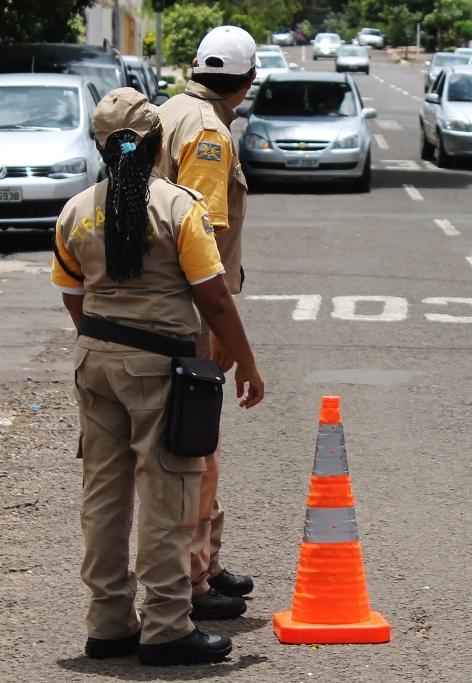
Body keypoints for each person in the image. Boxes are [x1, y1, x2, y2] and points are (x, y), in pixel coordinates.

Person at [51, 87, 265, 665]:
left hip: (94, 363)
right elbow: (214, 300)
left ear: (102, 147)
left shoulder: (76, 211)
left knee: (104, 494)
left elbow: (74, 298)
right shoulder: (177, 207)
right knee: (167, 493)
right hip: (159, 369)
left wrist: (106, 338)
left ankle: (108, 624)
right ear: (156, 142)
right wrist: (246, 362)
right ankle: (168, 625)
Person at [157, 25, 257, 621]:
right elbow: (205, 235)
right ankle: (194, 579)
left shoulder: (171, 110)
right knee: (199, 446)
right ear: (247, 82)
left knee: (195, 441)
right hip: (190, 307)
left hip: (161, 302)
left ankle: (207, 563)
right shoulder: (210, 133)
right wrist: (221, 325)